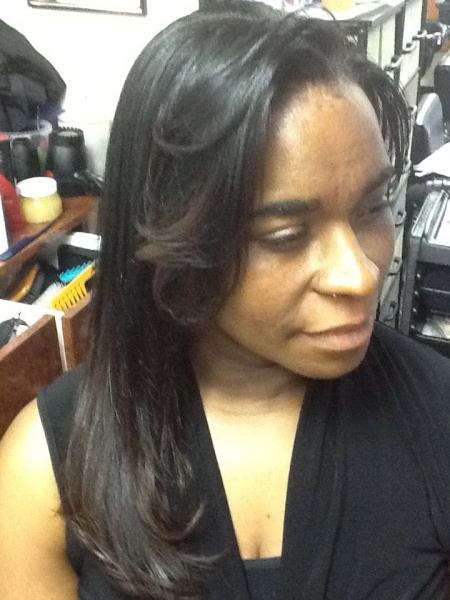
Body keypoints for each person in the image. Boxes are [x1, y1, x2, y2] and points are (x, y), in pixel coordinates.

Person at [1, 2, 450, 599]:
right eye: (285, 236)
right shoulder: (43, 473)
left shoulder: (436, 415)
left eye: (372, 207)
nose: (361, 276)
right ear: (174, 237)